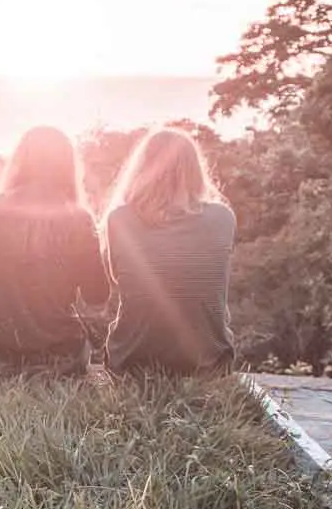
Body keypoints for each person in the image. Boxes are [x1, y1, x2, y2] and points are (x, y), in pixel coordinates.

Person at [0, 126, 110, 375]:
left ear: (19, 162)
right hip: (58, 362)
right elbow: (97, 298)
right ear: (68, 168)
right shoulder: (79, 219)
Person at [101, 127, 236, 376]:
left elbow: (118, 280)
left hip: (133, 362)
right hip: (208, 363)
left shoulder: (120, 219)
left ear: (142, 169)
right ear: (195, 170)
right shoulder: (222, 217)